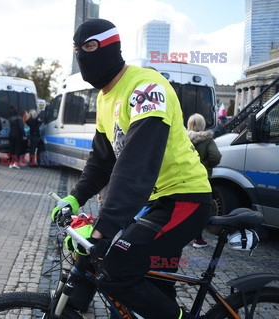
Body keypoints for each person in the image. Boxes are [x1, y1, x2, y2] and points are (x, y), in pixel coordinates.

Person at [51, 19, 211, 319]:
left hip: (185, 197)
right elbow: (101, 160)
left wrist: (103, 229)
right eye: (77, 50)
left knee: (116, 271)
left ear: (112, 46)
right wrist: (74, 197)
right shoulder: (104, 98)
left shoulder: (146, 87)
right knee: (149, 284)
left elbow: (135, 165)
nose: (82, 55)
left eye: (89, 47)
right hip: (155, 201)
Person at [187, 113, 222, 248]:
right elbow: (216, 156)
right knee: (200, 210)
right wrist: (205, 165)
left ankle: (183, 236)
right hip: (201, 179)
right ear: (202, 125)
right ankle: (198, 239)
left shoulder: (183, 138)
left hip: (185, 177)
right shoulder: (207, 140)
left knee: (185, 206)